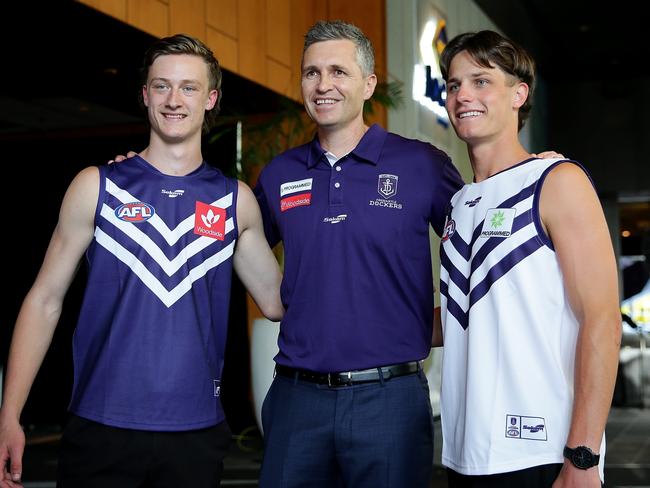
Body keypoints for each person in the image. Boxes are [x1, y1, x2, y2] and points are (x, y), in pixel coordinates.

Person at [0, 34, 283, 488]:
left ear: (211, 99)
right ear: (145, 94)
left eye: (189, 87)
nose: (174, 100)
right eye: (162, 86)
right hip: (100, 428)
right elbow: (44, 300)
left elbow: (277, 302)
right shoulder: (97, 186)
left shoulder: (235, 202)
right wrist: (9, 415)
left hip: (194, 434)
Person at [253, 20, 464, 488]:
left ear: (368, 84)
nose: (323, 85)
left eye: (338, 72)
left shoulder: (422, 165)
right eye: (311, 73)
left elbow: (478, 254)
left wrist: (439, 322)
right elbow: (236, 244)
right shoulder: (278, 174)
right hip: (295, 399)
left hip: (389, 400)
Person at [437, 30, 621, 487]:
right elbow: (467, 317)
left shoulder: (556, 180)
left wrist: (582, 455)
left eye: (481, 81)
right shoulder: (459, 203)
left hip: (542, 452)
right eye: (454, 85)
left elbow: (602, 319)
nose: (463, 96)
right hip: (466, 455)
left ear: (519, 93)